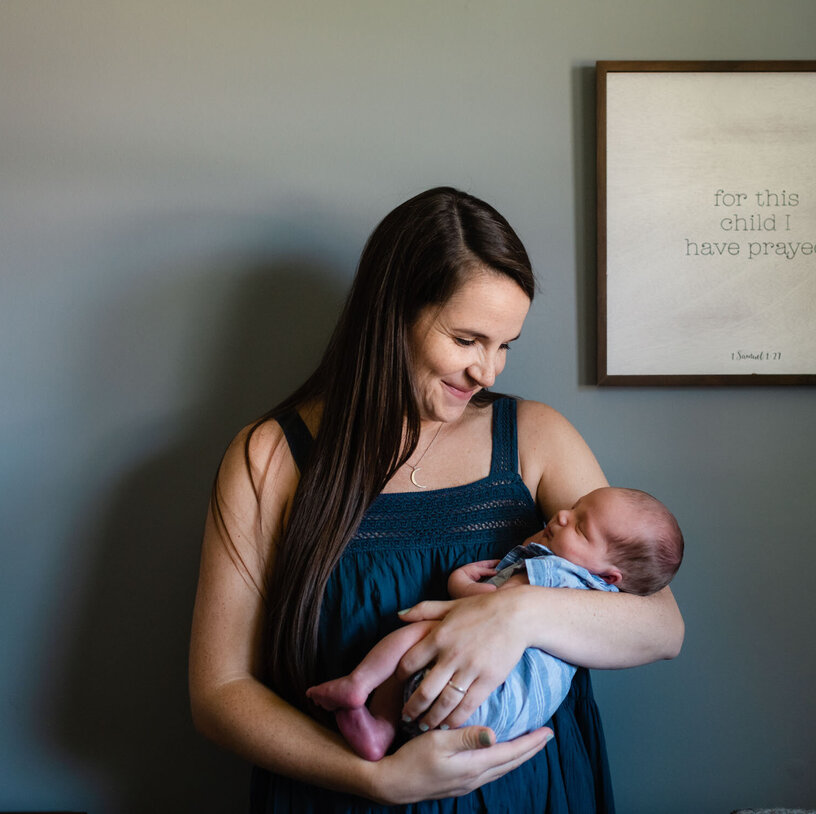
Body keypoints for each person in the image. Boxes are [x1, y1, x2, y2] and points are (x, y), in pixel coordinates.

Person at [188, 186, 684, 813]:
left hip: (530, 798)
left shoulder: (534, 437)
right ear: (391, 314)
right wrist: (375, 780)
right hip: (343, 799)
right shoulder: (269, 458)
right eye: (467, 339)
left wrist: (517, 615)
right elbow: (220, 691)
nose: (489, 372)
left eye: (505, 345)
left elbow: (663, 627)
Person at [306, 486, 684, 761]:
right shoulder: (602, 603)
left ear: (610, 575)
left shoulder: (556, 571)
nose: (563, 515)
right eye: (574, 506)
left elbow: (493, 608)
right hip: (509, 724)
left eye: (581, 527)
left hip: (478, 693)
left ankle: (363, 690)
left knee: (421, 629)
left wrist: (460, 585)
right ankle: (381, 731)